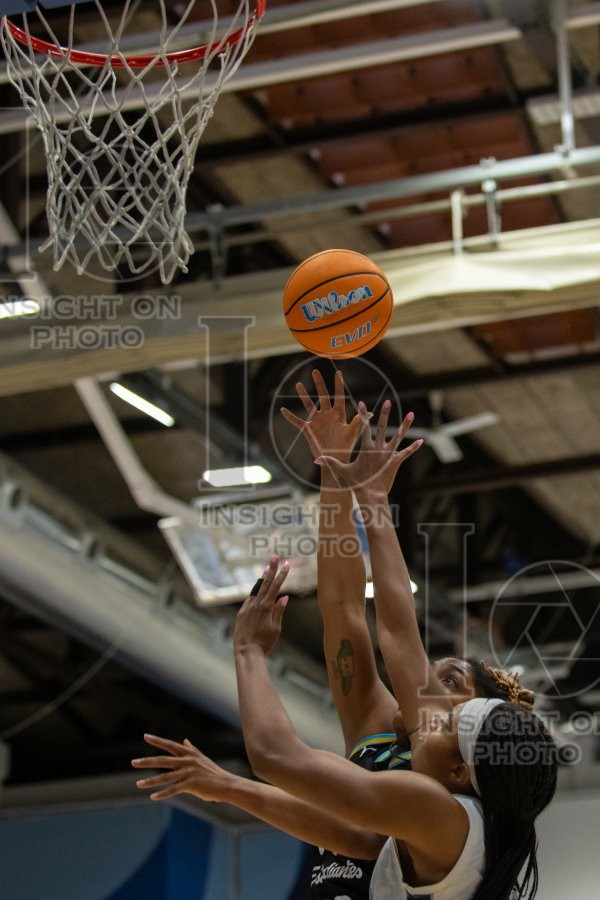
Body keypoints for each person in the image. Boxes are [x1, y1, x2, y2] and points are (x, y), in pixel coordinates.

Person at [132, 375, 537, 899]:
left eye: (450, 686)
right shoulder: (385, 738)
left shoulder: (450, 810)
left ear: (466, 758)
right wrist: (335, 475)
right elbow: (346, 611)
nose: (421, 680)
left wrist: (248, 653)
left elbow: (393, 639)